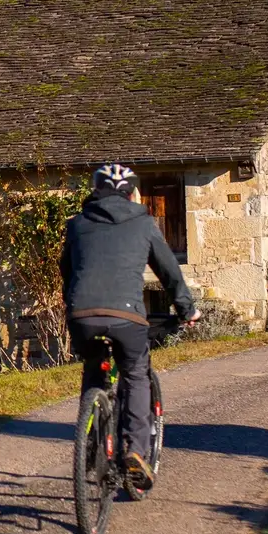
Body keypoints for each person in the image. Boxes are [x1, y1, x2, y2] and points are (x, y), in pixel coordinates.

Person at [65, 163, 199, 488]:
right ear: (131, 192)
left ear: (95, 191)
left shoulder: (77, 224)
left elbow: (67, 273)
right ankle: (136, 451)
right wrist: (186, 310)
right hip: (128, 318)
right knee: (137, 374)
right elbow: (169, 271)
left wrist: (75, 307)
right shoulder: (143, 222)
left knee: (94, 371)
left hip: (82, 315)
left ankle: (90, 450)